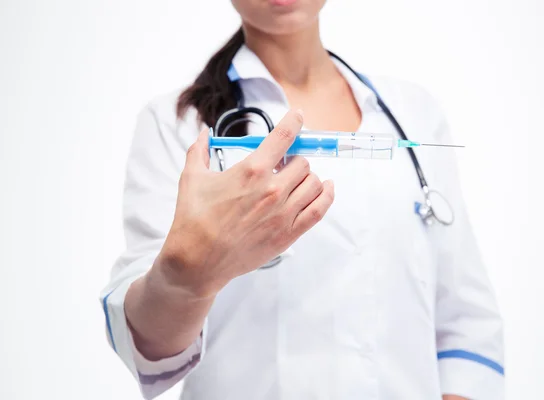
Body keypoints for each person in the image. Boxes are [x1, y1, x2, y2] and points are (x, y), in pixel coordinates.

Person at [100, 0, 504, 399]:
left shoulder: (413, 112)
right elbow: (148, 342)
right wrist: (186, 278)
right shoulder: (179, 124)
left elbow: (465, 323)